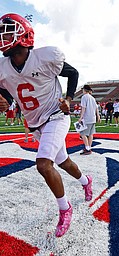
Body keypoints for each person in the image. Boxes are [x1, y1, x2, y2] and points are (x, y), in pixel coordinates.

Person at [0, 13, 92, 237]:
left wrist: (68, 99)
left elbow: (73, 73)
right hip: (36, 123)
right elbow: (9, 95)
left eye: (8, 31)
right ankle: (86, 181)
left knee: (43, 164)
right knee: (63, 162)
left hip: (55, 116)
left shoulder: (45, 57)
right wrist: (3, 102)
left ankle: (65, 208)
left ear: (24, 33)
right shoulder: (3, 67)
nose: (3, 36)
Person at [78, 85, 101, 155]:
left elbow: (83, 108)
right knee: (91, 134)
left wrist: (81, 117)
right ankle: (89, 147)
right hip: (93, 118)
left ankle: (87, 148)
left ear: (84, 90)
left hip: (87, 118)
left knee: (83, 133)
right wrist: (98, 116)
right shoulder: (92, 98)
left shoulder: (84, 97)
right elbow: (96, 108)